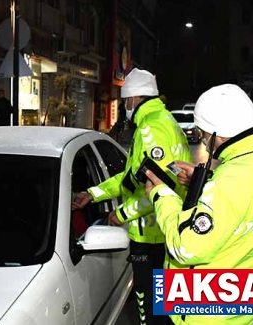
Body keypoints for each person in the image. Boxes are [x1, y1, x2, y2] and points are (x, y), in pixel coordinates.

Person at [144, 84, 253, 325]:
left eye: (202, 134)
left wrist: (161, 195)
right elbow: (242, 204)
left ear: (216, 134)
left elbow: (185, 249)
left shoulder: (230, 183)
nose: (202, 141)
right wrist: (204, 180)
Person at [73, 68, 192, 325]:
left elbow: (161, 185)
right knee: (163, 308)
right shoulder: (163, 122)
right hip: (162, 231)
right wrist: (92, 194)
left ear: (134, 99)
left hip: (153, 236)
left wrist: (122, 213)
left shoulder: (152, 129)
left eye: (125, 101)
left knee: (150, 308)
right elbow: (130, 178)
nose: (125, 106)